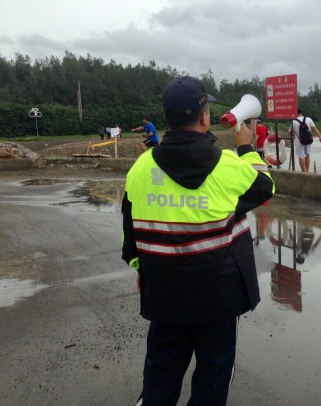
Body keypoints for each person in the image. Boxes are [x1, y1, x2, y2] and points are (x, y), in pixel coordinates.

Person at [122, 75, 275, 406]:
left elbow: (130, 239)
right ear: (204, 117)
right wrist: (247, 147)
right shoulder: (228, 166)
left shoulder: (139, 169)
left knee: (160, 375)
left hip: (163, 296)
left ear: (166, 118)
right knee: (213, 377)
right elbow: (265, 187)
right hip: (218, 298)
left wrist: (142, 269)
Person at [289, 108, 321, 173]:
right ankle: (307, 171)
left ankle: (303, 172)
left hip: (298, 142)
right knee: (307, 154)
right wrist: (320, 137)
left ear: (295, 113)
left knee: (301, 156)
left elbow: (290, 133)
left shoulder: (293, 121)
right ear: (302, 113)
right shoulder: (308, 119)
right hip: (308, 140)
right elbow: (314, 128)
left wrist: (292, 137)